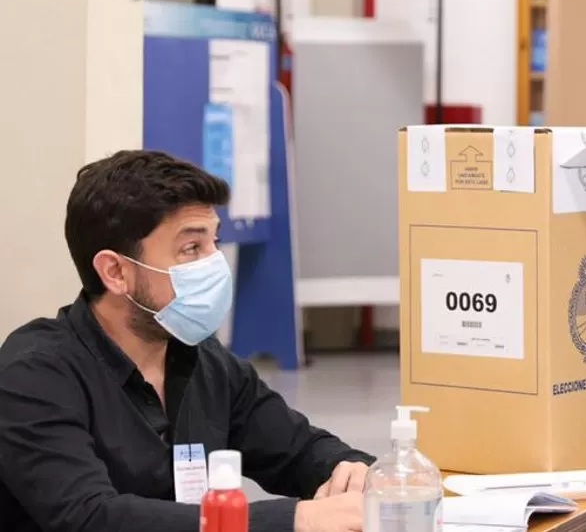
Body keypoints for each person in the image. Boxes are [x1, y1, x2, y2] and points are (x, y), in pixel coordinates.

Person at [0, 150, 374, 532]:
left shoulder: (204, 360)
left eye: (215, 241)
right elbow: (90, 517)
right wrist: (293, 520)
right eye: (192, 249)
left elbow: (297, 450)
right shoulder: (34, 373)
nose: (215, 263)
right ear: (115, 272)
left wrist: (355, 473)